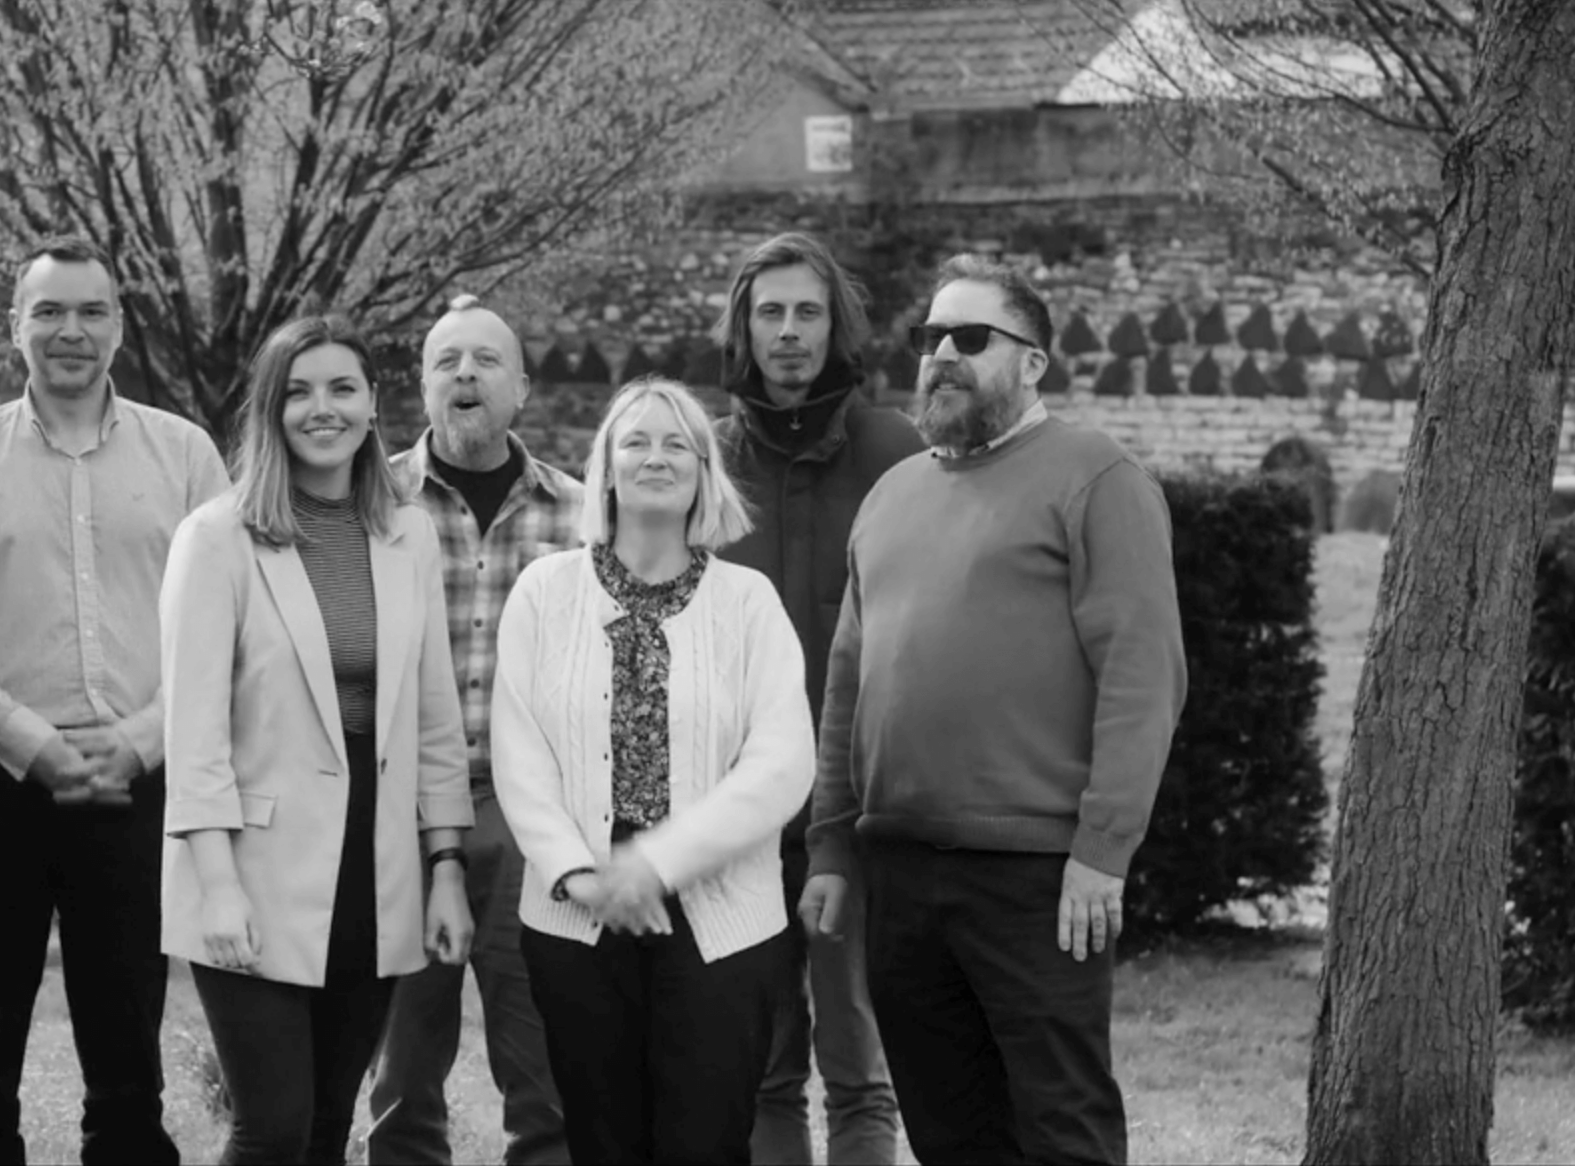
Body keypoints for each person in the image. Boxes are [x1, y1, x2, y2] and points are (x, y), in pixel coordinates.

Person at [800, 255, 1187, 1166]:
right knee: (948, 1133)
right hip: (900, 872)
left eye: (971, 338)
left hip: (1039, 880)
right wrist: (831, 843)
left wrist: (1104, 852)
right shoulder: (892, 496)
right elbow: (848, 684)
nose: (943, 355)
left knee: (1061, 1130)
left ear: (1033, 362)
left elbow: (1144, 673)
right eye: (931, 337)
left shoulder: (1097, 476)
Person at [0, 236, 228, 1166]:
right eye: (47, 310)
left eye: (90, 311)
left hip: (140, 785)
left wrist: (140, 740)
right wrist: (25, 739)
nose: (70, 330)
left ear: (120, 328)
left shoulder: (185, 457)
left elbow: (233, 628)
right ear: (15, 326)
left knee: (129, 1062)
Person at [159, 315, 476, 1165]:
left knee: (331, 1121)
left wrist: (445, 866)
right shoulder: (217, 539)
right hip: (254, 868)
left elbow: (435, 716)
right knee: (272, 1130)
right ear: (269, 409)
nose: (321, 409)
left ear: (375, 405)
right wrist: (216, 885)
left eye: (342, 388)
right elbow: (192, 734)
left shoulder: (407, 535)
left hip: (377, 869)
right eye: (298, 391)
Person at [492, 376, 816, 1165]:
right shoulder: (543, 592)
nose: (656, 457)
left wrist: (655, 867)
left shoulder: (749, 602)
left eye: (679, 444)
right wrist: (580, 874)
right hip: (577, 915)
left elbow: (782, 763)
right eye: (635, 441)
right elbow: (519, 749)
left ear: (706, 473)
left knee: (706, 1143)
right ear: (604, 467)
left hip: (722, 919)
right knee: (602, 1144)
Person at [709, 233, 916, 1166]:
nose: (788, 332)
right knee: (761, 1068)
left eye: (807, 312)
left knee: (861, 1068)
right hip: (739, 809)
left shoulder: (895, 451)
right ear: (743, 332)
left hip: (858, 808)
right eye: (770, 313)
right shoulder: (706, 460)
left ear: (836, 328)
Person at [370, 294, 578, 1166]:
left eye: (486, 360)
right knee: (402, 1076)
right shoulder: (371, 504)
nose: (465, 374)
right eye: (446, 361)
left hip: (534, 819)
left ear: (522, 388)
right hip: (404, 814)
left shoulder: (580, 516)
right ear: (420, 388)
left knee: (549, 1073)